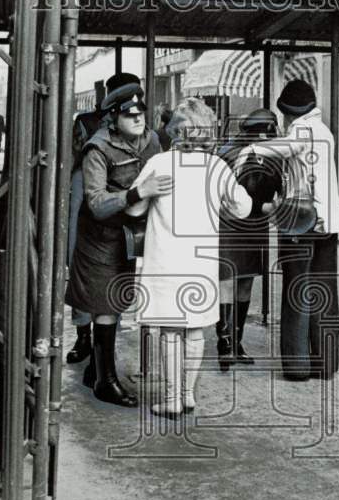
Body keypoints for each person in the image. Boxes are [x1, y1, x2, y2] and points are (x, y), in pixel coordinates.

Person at [127, 98, 253, 417]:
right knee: (195, 330)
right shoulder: (216, 167)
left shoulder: (160, 163)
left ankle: (171, 399)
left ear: (177, 130)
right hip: (201, 260)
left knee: (171, 330)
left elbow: (134, 208)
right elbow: (243, 207)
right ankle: (187, 395)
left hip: (167, 260)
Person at [64, 73, 167, 407]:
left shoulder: (152, 140)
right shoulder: (97, 148)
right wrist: (137, 192)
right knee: (105, 307)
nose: (138, 119)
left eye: (141, 113)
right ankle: (105, 382)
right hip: (98, 238)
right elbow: (95, 202)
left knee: (116, 303)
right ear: (113, 117)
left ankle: (97, 369)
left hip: (128, 237)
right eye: (129, 114)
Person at [242, 79, 339, 381]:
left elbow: (290, 147)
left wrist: (252, 147)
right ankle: (326, 363)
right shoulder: (324, 130)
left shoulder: (301, 130)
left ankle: (298, 366)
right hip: (329, 223)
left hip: (300, 223)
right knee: (324, 293)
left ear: (288, 111)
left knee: (296, 292)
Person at [215, 108, 282, 370]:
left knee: (236, 283)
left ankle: (231, 343)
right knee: (235, 283)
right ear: (263, 132)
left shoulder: (230, 150)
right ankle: (229, 343)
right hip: (236, 224)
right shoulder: (239, 153)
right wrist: (265, 206)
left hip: (248, 225)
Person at [64, 107, 105, 377]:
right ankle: (85, 339)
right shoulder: (83, 172)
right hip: (87, 240)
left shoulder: (83, 169)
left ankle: (86, 339)